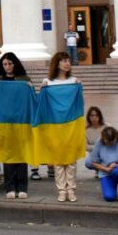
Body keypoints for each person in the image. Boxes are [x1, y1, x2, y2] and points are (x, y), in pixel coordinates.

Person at [0, 52, 31, 198]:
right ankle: (10, 188)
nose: (7, 67)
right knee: (7, 155)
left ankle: (22, 187)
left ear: (15, 64)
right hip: (4, 124)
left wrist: (30, 88)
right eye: (5, 64)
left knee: (21, 154)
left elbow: (31, 100)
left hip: (21, 123)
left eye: (10, 63)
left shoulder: (24, 80)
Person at [41, 51, 80, 202]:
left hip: (70, 125)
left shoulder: (74, 81)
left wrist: (78, 87)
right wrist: (40, 89)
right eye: (64, 61)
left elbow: (78, 104)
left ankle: (71, 190)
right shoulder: (48, 82)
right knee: (58, 160)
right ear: (57, 64)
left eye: (68, 60)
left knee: (71, 160)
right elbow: (43, 104)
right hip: (55, 126)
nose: (67, 63)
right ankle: (62, 191)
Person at [85, 126, 118, 202]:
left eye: (112, 141)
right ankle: (114, 183)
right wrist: (106, 169)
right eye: (107, 141)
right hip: (106, 172)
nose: (109, 143)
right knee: (109, 197)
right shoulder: (99, 143)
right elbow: (94, 162)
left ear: (116, 137)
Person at [85, 106, 106, 178]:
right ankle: (99, 169)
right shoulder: (85, 130)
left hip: (107, 153)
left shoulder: (106, 127)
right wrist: (96, 147)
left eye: (97, 115)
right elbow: (85, 146)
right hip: (94, 154)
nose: (94, 118)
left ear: (100, 116)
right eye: (92, 115)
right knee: (88, 163)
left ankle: (104, 170)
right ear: (89, 117)